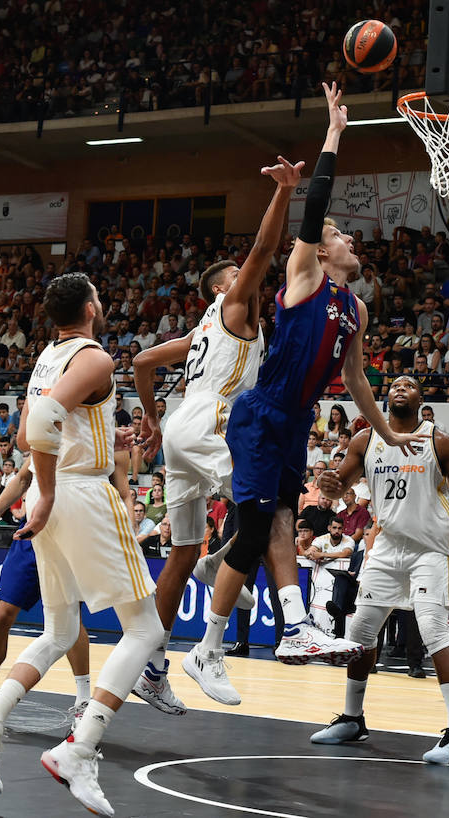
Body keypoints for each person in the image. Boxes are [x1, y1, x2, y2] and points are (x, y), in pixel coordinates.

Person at [185, 84, 420, 704]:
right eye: (347, 239)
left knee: (282, 522)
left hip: (295, 421)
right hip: (260, 412)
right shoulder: (308, 272)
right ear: (323, 248)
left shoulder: (357, 310)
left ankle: (284, 630)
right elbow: (313, 211)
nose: (354, 245)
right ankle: (220, 644)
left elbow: (357, 381)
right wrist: (334, 135)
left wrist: (388, 433)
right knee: (263, 523)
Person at [0, 273, 159, 817]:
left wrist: (96, 433)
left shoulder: (48, 356)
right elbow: (44, 421)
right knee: (146, 629)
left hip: (58, 495)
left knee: (59, 630)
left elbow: (27, 436)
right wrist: (46, 492)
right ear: (92, 307)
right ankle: (80, 748)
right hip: (82, 495)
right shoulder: (94, 358)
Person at [129, 155, 295, 715]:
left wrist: (152, 418)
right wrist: (283, 193)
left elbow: (143, 360)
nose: (247, 278)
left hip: (182, 424)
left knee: (178, 554)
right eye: (236, 276)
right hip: (213, 420)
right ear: (222, 287)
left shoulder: (204, 327)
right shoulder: (234, 305)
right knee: (265, 513)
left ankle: (150, 668)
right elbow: (264, 251)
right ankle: (211, 640)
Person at [308, 376, 449, 763]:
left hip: (430, 549)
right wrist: (331, 485)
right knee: (360, 630)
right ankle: (353, 719)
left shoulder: (438, 440)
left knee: (433, 629)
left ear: (421, 399)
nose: (400, 388)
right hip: (387, 548)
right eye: (395, 384)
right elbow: (341, 485)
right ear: (385, 398)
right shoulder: (364, 440)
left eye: (409, 384)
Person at [0, 456, 95, 731]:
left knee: (72, 622)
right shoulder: (45, 436)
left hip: (69, 538)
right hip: (30, 536)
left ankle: (84, 701)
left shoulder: (88, 441)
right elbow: (22, 479)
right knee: (2, 614)